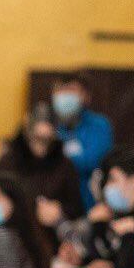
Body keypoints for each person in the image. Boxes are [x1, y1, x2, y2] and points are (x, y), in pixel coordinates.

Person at [0, 103, 84, 230]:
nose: (42, 145)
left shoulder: (64, 164)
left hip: (49, 235)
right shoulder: (9, 161)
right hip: (13, 230)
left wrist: (60, 210)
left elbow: (77, 207)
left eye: (47, 139)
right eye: (37, 138)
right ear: (28, 132)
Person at [51, 73, 113, 209]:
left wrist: (56, 158)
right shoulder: (49, 126)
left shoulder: (99, 125)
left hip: (89, 205)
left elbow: (93, 161)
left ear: (85, 96)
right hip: (56, 206)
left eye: (71, 90)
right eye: (61, 90)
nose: (65, 96)